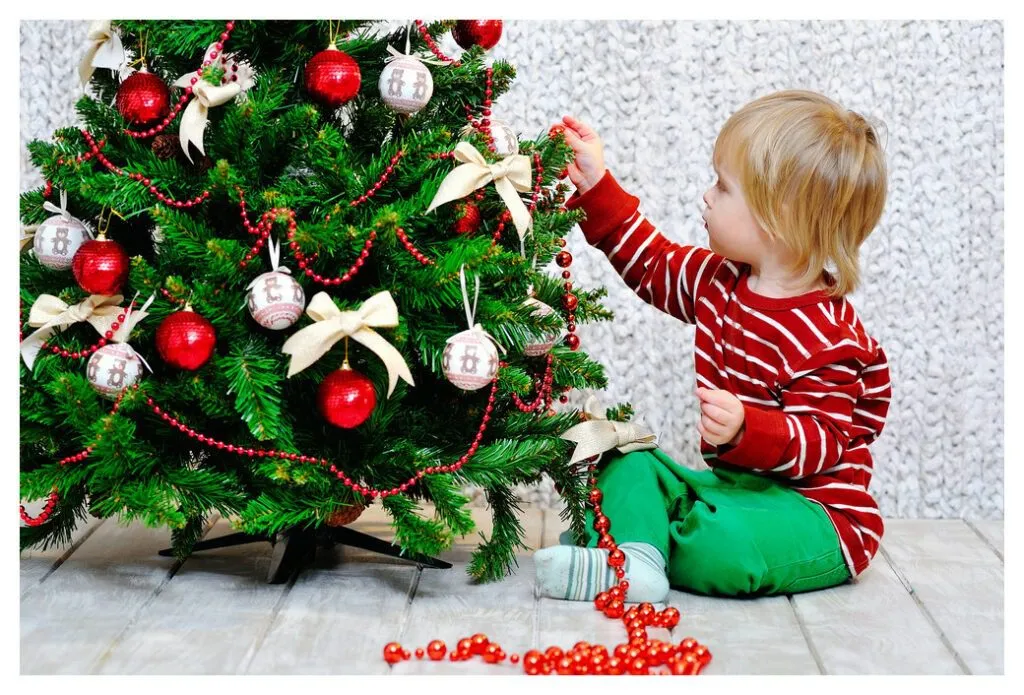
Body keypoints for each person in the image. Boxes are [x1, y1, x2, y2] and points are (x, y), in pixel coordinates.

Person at [536, 90, 892, 602]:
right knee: (621, 457)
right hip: (731, 492)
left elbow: (825, 441)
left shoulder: (829, 336)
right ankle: (635, 559)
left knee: (726, 545)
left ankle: (633, 543)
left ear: (779, 216)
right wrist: (596, 186)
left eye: (723, 188)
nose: (707, 196)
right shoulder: (716, 282)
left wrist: (750, 427)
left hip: (811, 513)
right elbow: (652, 263)